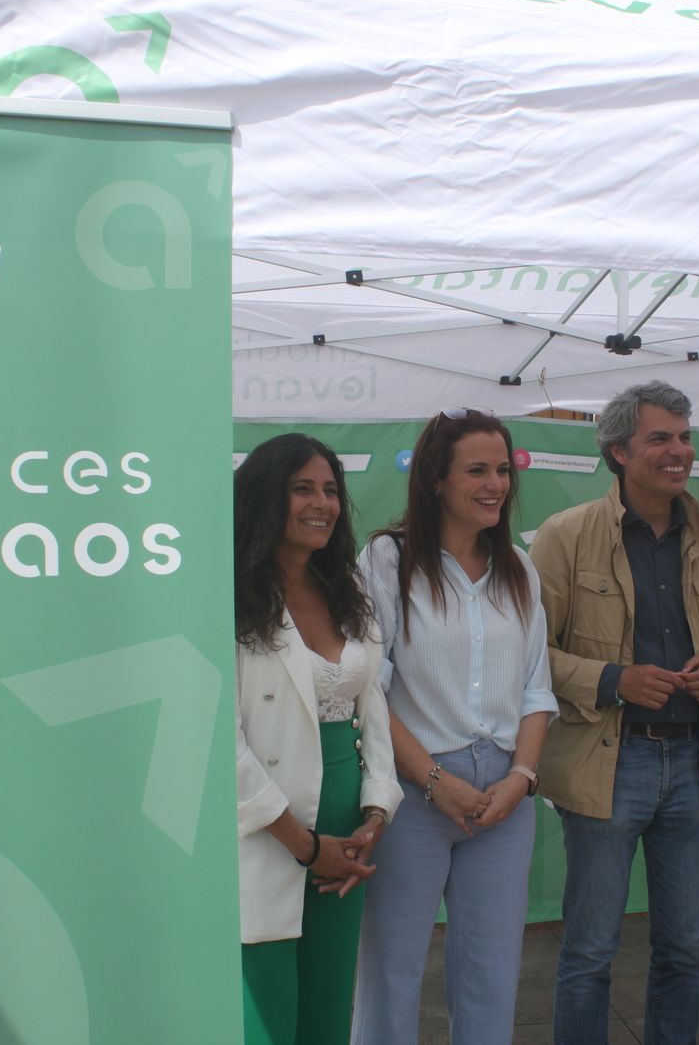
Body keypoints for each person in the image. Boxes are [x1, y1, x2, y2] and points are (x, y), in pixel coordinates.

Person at [528, 380, 699, 1045]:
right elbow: (529, 653)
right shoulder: (565, 535)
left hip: (694, 761)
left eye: (684, 436)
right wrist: (613, 679)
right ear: (619, 451)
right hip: (608, 760)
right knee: (590, 951)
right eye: (661, 438)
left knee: (685, 950)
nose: (679, 450)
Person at [351, 408, 556, 1045]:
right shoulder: (387, 560)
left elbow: (537, 689)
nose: (495, 484)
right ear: (436, 478)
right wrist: (435, 781)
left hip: (504, 799)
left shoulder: (519, 567)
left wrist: (521, 778)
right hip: (411, 793)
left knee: (492, 976)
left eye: (503, 470)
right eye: (477, 471)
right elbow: (367, 690)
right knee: (390, 975)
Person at [233, 433, 403, 1045]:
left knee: (329, 1008)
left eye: (330, 490)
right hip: (266, 829)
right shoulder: (226, 595)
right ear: (263, 497)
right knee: (266, 1015)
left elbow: (371, 706)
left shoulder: (345, 591)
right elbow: (220, 743)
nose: (322, 503)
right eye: (302, 488)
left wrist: (376, 811)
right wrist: (304, 846)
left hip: (344, 834)